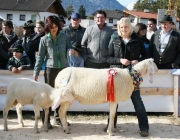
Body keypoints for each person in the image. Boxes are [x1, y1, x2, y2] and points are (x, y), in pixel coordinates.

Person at [106, 17, 149, 137]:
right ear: (119, 28)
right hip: (117, 76)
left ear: (130, 27)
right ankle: (111, 125)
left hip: (132, 75)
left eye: (126, 27)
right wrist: (119, 60)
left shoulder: (137, 39)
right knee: (113, 101)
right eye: (121, 27)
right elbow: (108, 57)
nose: (123, 29)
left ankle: (144, 128)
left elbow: (145, 57)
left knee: (137, 101)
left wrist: (138, 61)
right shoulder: (114, 38)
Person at [33, 15, 72, 129]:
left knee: (62, 95)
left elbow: (70, 49)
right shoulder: (44, 39)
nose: (54, 29)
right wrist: (36, 72)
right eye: (52, 27)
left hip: (63, 70)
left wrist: (71, 51)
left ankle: (59, 118)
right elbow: (40, 57)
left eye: (56, 26)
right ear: (48, 27)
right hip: (50, 70)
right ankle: (47, 120)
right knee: (49, 96)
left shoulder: (64, 37)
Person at [53, 12, 86, 126]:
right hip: (65, 64)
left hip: (78, 64)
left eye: (77, 19)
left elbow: (85, 47)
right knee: (61, 91)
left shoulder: (84, 31)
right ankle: (57, 117)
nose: (75, 21)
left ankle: (63, 117)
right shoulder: (65, 30)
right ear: (70, 19)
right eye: (73, 19)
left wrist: (82, 57)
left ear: (80, 20)